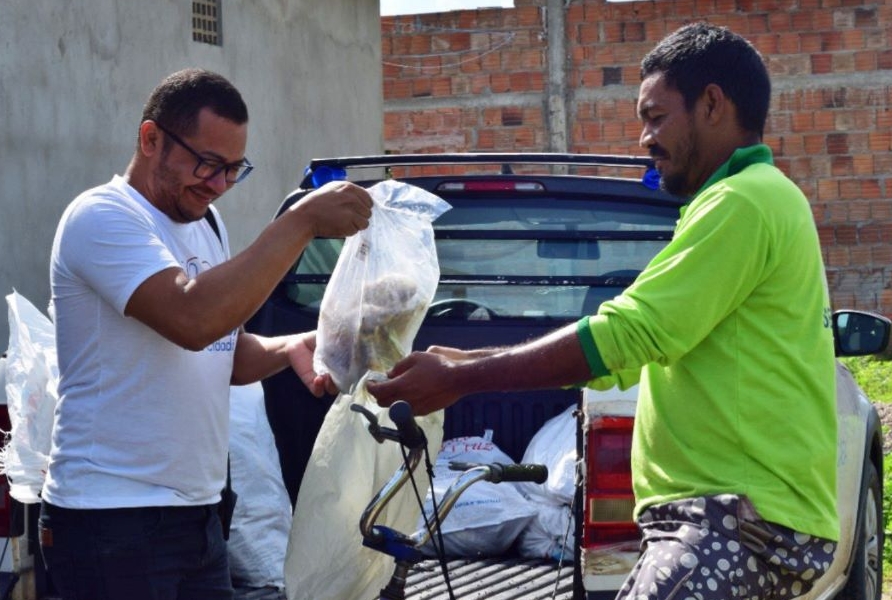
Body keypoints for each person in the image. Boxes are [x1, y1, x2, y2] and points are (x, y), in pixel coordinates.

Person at [368, 22, 838, 600]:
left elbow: (628, 333)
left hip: (734, 520)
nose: (644, 138)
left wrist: (463, 378)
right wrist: (467, 358)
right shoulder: (759, 198)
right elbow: (632, 350)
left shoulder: (742, 201)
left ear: (712, 104)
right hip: (730, 520)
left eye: (656, 117)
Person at [40, 68, 372, 599]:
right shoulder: (101, 216)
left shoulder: (207, 224)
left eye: (233, 170)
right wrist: (301, 222)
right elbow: (192, 320)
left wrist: (292, 345)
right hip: (111, 520)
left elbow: (225, 352)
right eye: (208, 164)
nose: (218, 185)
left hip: (199, 517)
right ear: (151, 139)